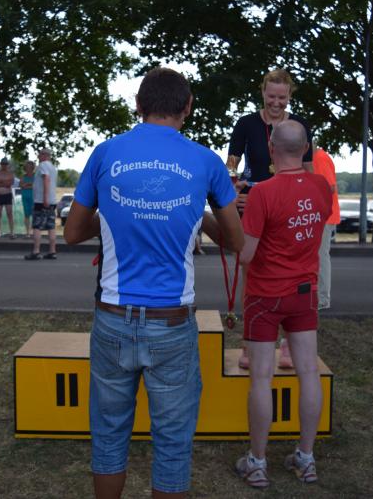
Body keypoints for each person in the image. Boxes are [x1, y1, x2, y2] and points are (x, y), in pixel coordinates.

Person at [64, 67, 244, 499]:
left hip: (112, 318)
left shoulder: (106, 153)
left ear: (138, 105)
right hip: (172, 325)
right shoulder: (206, 161)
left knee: (109, 437)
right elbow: (237, 242)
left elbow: (71, 233)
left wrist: (118, 210)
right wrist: (194, 212)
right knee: (173, 447)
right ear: (188, 107)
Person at [233, 120, 331, 489]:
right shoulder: (321, 187)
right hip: (304, 292)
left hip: (265, 295)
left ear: (271, 149)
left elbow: (246, 254)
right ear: (306, 149)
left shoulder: (263, 193)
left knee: (261, 377)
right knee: (308, 372)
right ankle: (306, 457)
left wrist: (231, 220)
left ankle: (257, 462)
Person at [227, 69, 314, 369]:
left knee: (291, 275)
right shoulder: (246, 124)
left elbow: (309, 171)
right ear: (262, 92)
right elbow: (231, 165)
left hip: (288, 206)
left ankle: (288, 344)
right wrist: (233, 189)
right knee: (251, 275)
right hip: (252, 202)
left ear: (290, 96)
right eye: (271, 96)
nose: (276, 103)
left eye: (282, 97)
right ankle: (250, 344)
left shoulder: (300, 125)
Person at [312, 146, 340, 310]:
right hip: (320, 216)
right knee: (317, 256)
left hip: (324, 216)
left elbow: (330, 187)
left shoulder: (320, 159)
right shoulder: (317, 158)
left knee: (321, 256)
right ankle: (318, 297)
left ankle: (322, 299)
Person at [25, 148, 58, 260]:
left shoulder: (43, 165)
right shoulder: (53, 167)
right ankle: (52, 251)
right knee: (51, 226)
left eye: (39, 154)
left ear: (44, 155)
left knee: (37, 226)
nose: (38, 156)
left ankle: (36, 251)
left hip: (41, 201)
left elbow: (46, 179)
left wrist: (45, 198)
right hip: (52, 200)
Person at [0, 157, 16, 239]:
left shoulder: (10, 173)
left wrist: (1, 181)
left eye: (5, 164)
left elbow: (11, 183)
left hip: (7, 195)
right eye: (3, 164)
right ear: (1, 164)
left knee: (9, 213)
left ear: (7, 165)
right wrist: (5, 182)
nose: (4, 165)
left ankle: (12, 232)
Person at [20, 160, 36, 237]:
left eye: (30, 167)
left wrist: (26, 185)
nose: (28, 168)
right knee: (26, 215)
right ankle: (27, 232)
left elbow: (35, 186)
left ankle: (34, 232)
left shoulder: (36, 176)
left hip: (34, 198)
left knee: (34, 215)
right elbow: (21, 185)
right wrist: (30, 185)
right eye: (27, 167)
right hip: (25, 197)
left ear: (32, 168)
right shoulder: (23, 176)